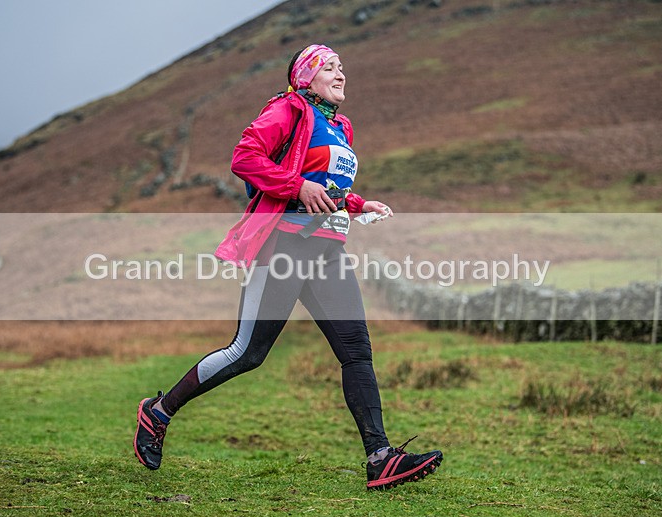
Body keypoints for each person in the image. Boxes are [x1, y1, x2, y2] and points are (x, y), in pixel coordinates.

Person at [133, 44, 443, 490]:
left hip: (328, 251)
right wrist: (297, 186)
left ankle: (380, 457)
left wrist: (357, 203)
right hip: (283, 246)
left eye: (341, 67)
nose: (341, 74)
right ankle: (157, 412)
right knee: (248, 353)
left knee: (356, 350)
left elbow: (326, 188)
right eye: (330, 67)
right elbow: (245, 158)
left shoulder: (341, 126)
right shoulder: (288, 109)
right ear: (307, 77)